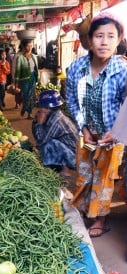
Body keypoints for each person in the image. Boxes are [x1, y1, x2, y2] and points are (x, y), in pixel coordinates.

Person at [66, 13, 127, 238]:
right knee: (84, 174)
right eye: (99, 36)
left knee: (104, 177)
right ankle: (85, 212)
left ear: (119, 39)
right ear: (90, 40)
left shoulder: (122, 71)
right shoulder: (77, 68)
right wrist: (83, 127)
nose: (104, 42)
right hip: (87, 134)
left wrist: (117, 132)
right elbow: (71, 99)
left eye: (111, 36)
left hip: (113, 135)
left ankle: (100, 218)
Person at [32, 90, 79, 177]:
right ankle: (59, 165)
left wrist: (39, 123)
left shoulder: (57, 122)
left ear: (47, 108)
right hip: (72, 152)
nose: (39, 109)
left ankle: (65, 170)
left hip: (75, 158)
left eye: (41, 107)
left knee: (50, 144)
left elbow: (41, 141)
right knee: (48, 144)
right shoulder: (55, 115)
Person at [15, 39, 39, 119]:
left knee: (32, 96)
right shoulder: (20, 58)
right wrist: (16, 83)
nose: (30, 47)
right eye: (28, 46)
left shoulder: (34, 57)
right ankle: (24, 108)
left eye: (31, 45)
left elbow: (36, 68)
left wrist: (37, 79)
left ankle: (29, 113)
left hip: (33, 78)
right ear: (24, 47)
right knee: (25, 96)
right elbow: (18, 70)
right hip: (24, 80)